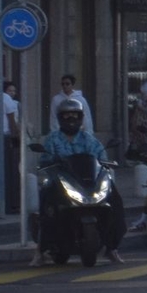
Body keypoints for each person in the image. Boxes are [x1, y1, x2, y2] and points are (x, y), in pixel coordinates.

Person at [35, 99, 120, 265]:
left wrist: (106, 164)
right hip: (62, 182)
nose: (71, 119)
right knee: (46, 202)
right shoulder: (53, 140)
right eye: (67, 115)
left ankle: (112, 248)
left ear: (81, 118)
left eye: (75, 115)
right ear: (60, 118)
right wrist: (49, 161)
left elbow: (101, 157)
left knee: (114, 199)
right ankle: (40, 250)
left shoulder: (89, 139)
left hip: (88, 183)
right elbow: (44, 160)